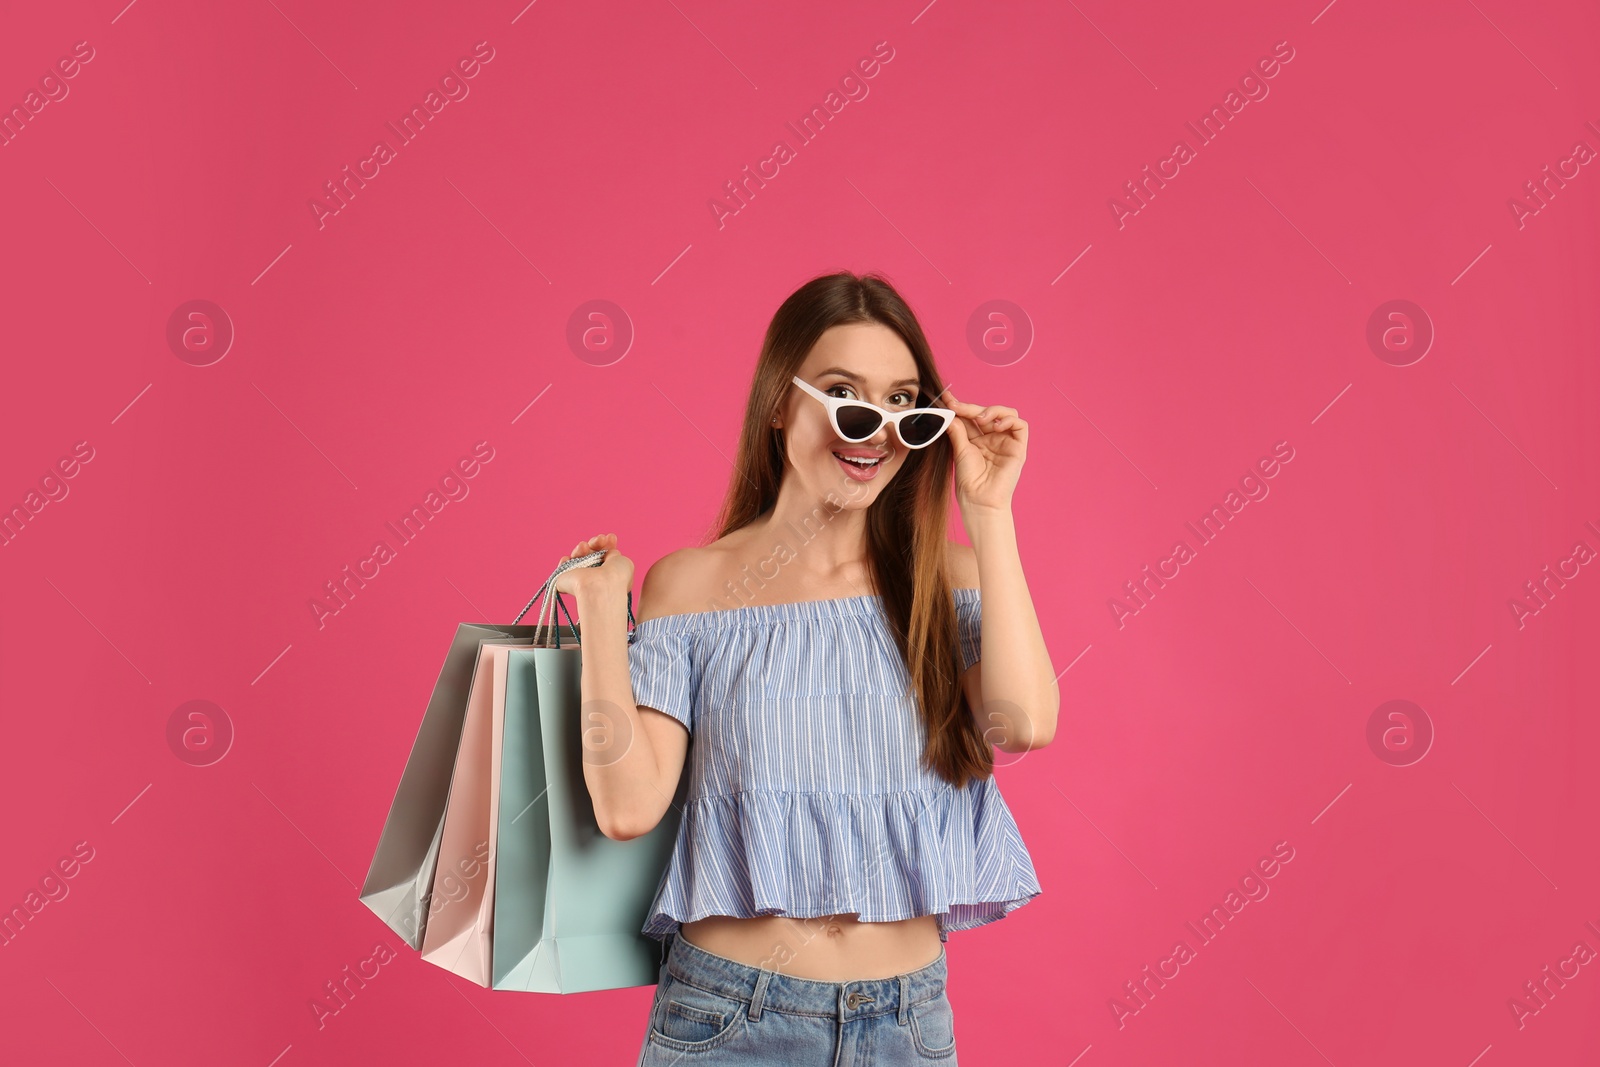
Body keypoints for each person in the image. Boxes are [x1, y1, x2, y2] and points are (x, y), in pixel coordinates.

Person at [553, 270, 1057, 1064]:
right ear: (780, 404)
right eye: (843, 391)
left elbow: (1023, 723)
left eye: (904, 403)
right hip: (729, 1017)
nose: (877, 426)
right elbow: (627, 805)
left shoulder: (943, 583)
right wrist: (604, 621)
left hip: (907, 1024)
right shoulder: (693, 583)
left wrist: (990, 513)